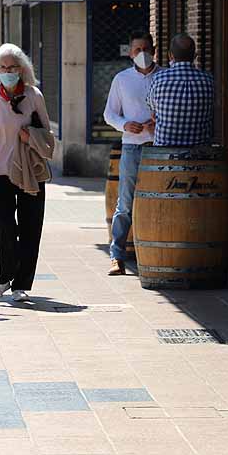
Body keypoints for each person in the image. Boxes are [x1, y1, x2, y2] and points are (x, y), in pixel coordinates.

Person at [0, 43, 51, 302]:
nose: (8, 71)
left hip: (31, 171)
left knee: (31, 227)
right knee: (5, 226)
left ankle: (22, 284)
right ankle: (3, 278)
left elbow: (47, 135)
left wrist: (30, 135)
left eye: (12, 67)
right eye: (3, 67)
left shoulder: (34, 96)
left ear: (22, 69)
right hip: (0, 173)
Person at [103, 31, 158, 276]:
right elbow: (109, 114)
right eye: (137, 50)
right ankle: (117, 256)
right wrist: (125, 124)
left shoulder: (165, 77)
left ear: (154, 50)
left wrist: (158, 122)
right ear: (130, 53)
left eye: (146, 48)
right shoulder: (122, 79)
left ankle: (155, 252)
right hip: (132, 146)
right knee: (125, 202)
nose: (142, 54)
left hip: (158, 147)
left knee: (157, 202)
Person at [145, 33, 214, 147]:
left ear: (170, 55)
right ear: (195, 56)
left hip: (164, 153)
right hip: (200, 152)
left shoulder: (159, 78)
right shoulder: (208, 80)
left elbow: (152, 108)